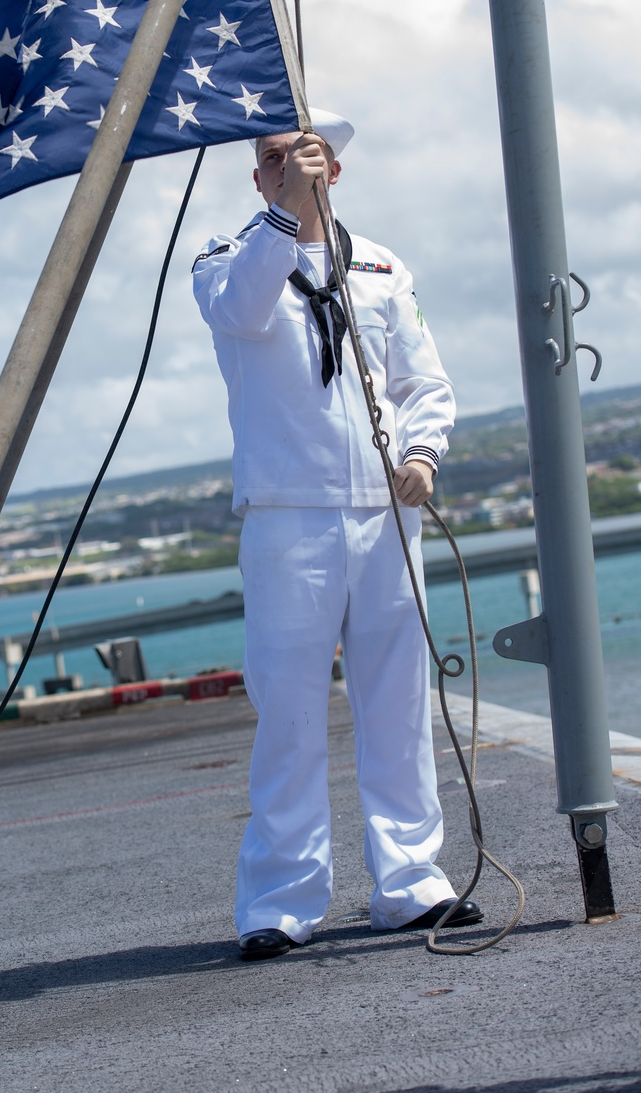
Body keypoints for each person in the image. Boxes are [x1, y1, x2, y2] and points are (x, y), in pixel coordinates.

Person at [192, 111, 482, 959]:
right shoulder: (225, 261)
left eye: (299, 156)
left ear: (335, 171)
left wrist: (424, 456)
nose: (283, 167)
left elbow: (424, 383)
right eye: (269, 161)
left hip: (384, 512)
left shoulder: (384, 266)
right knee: (287, 712)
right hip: (289, 517)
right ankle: (281, 901)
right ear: (257, 180)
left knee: (397, 704)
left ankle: (410, 881)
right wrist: (287, 212)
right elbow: (244, 310)